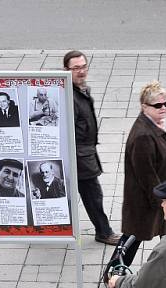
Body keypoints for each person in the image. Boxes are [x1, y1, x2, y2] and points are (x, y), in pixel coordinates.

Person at [64, 50, 120, 246]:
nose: (81, 71)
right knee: (93, 195)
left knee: (88, 194)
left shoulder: (80, 90)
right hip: (79, 156)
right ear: (66, 70)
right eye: (76, 68)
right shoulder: (69, 96)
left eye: (83, 66)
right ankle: (104, 232)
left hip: (85, 153)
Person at [120, 80, 166, 265]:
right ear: (145, 107)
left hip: (159, 197)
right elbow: (146, 175)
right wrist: (162, 203)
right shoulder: (144, 135)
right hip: (149, 201)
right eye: (158, 105)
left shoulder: (154, 125)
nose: (163, 108)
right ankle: (113, 273)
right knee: (133, 238)